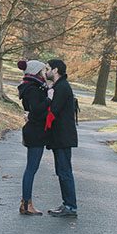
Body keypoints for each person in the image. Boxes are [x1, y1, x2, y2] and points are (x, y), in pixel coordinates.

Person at [44, 58, 78, 217]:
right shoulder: (59, 86)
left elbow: (53, 110)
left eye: (48, 68)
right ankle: (67, 204)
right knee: (62, 171)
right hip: (60, 137)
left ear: (56, 70)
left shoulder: (62, 87)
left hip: (63, 137)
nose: (46, 72)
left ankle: (70, 206)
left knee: (64, 172)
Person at [16, 58, 50, 216]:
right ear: (36, 72)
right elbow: (36, 110)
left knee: (31, 168)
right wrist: (49, 98)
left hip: (33, 130)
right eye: (42, 71)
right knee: (31, 168)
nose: (44, 74)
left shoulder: (31, 87)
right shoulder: (33, 89)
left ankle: (26, 202)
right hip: (35, 131)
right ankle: (26, 203)